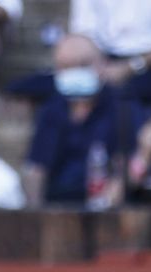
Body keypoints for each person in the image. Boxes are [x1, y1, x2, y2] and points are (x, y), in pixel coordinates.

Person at [23, 34, 126, 207]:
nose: (76, 72)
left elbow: (125, 167)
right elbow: (37, 168)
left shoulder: (123, 108)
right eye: (67, 66)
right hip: (56, 206)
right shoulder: (51, 109)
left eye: (84, 64)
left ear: (103, 64)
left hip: (103, 207)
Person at [70, 0, 151, 106]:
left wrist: (130, 67)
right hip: (104, 58)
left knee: (128, 96)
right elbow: (84, 28)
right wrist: (98, 64)